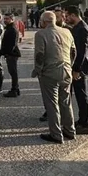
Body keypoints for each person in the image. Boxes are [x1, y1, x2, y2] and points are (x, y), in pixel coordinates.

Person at [32, 11, 76, 144]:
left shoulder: (41, 34)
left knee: (52, 103)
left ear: (44, 21)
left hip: (50, 72)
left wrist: (38, 70)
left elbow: (40, 54)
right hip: (66, 70)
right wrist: (70, 65)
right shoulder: (67, 32)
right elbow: (74, 51)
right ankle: (70, 130)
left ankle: (56, 134)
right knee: (66, 101)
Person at [65, 6, 88, 135]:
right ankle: (81, 121)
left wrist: (76, 69)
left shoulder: (82, 29)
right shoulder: (77, 28)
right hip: (75, 66)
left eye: (68, 15)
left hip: (79, 68)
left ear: (74, 15)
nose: (66, 18)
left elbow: (81, 52)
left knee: (81, 96)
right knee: (78, 95)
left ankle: (85, 124)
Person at [1, 14, 21, 97]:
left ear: (12, 19)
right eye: (4, 19)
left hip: (12, 54)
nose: (5, 20)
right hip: (10, 53)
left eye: (7, 19)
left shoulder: (12, 29)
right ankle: (16, 89)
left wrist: (6, 53)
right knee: (13, 72)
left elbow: (12, 44)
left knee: (13, 72)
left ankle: (14, 89)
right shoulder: (10, 28)